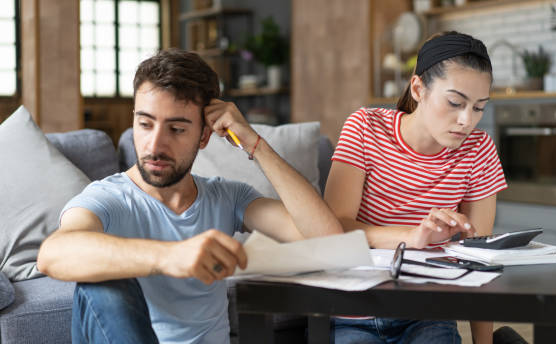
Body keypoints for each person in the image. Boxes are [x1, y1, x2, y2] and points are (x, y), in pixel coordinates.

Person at [37, 48, 343, 344]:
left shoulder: (227, 196)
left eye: (177, 129)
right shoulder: (108, 198)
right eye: (145, 124)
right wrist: (171, 256)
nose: (155, 145)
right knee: (101, 285)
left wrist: (253, 143)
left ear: (204, 135)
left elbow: (327, 238)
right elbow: (53, 254)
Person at [324, 31, 507, 344]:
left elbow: (479, 259)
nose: (467, 120)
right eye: (454, 102)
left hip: (428, 312)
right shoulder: (365, 128)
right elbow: (332, 228)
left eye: (479, 108)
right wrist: (411, 237)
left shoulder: (478, 149)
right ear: (418, 88)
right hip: (354, 308)